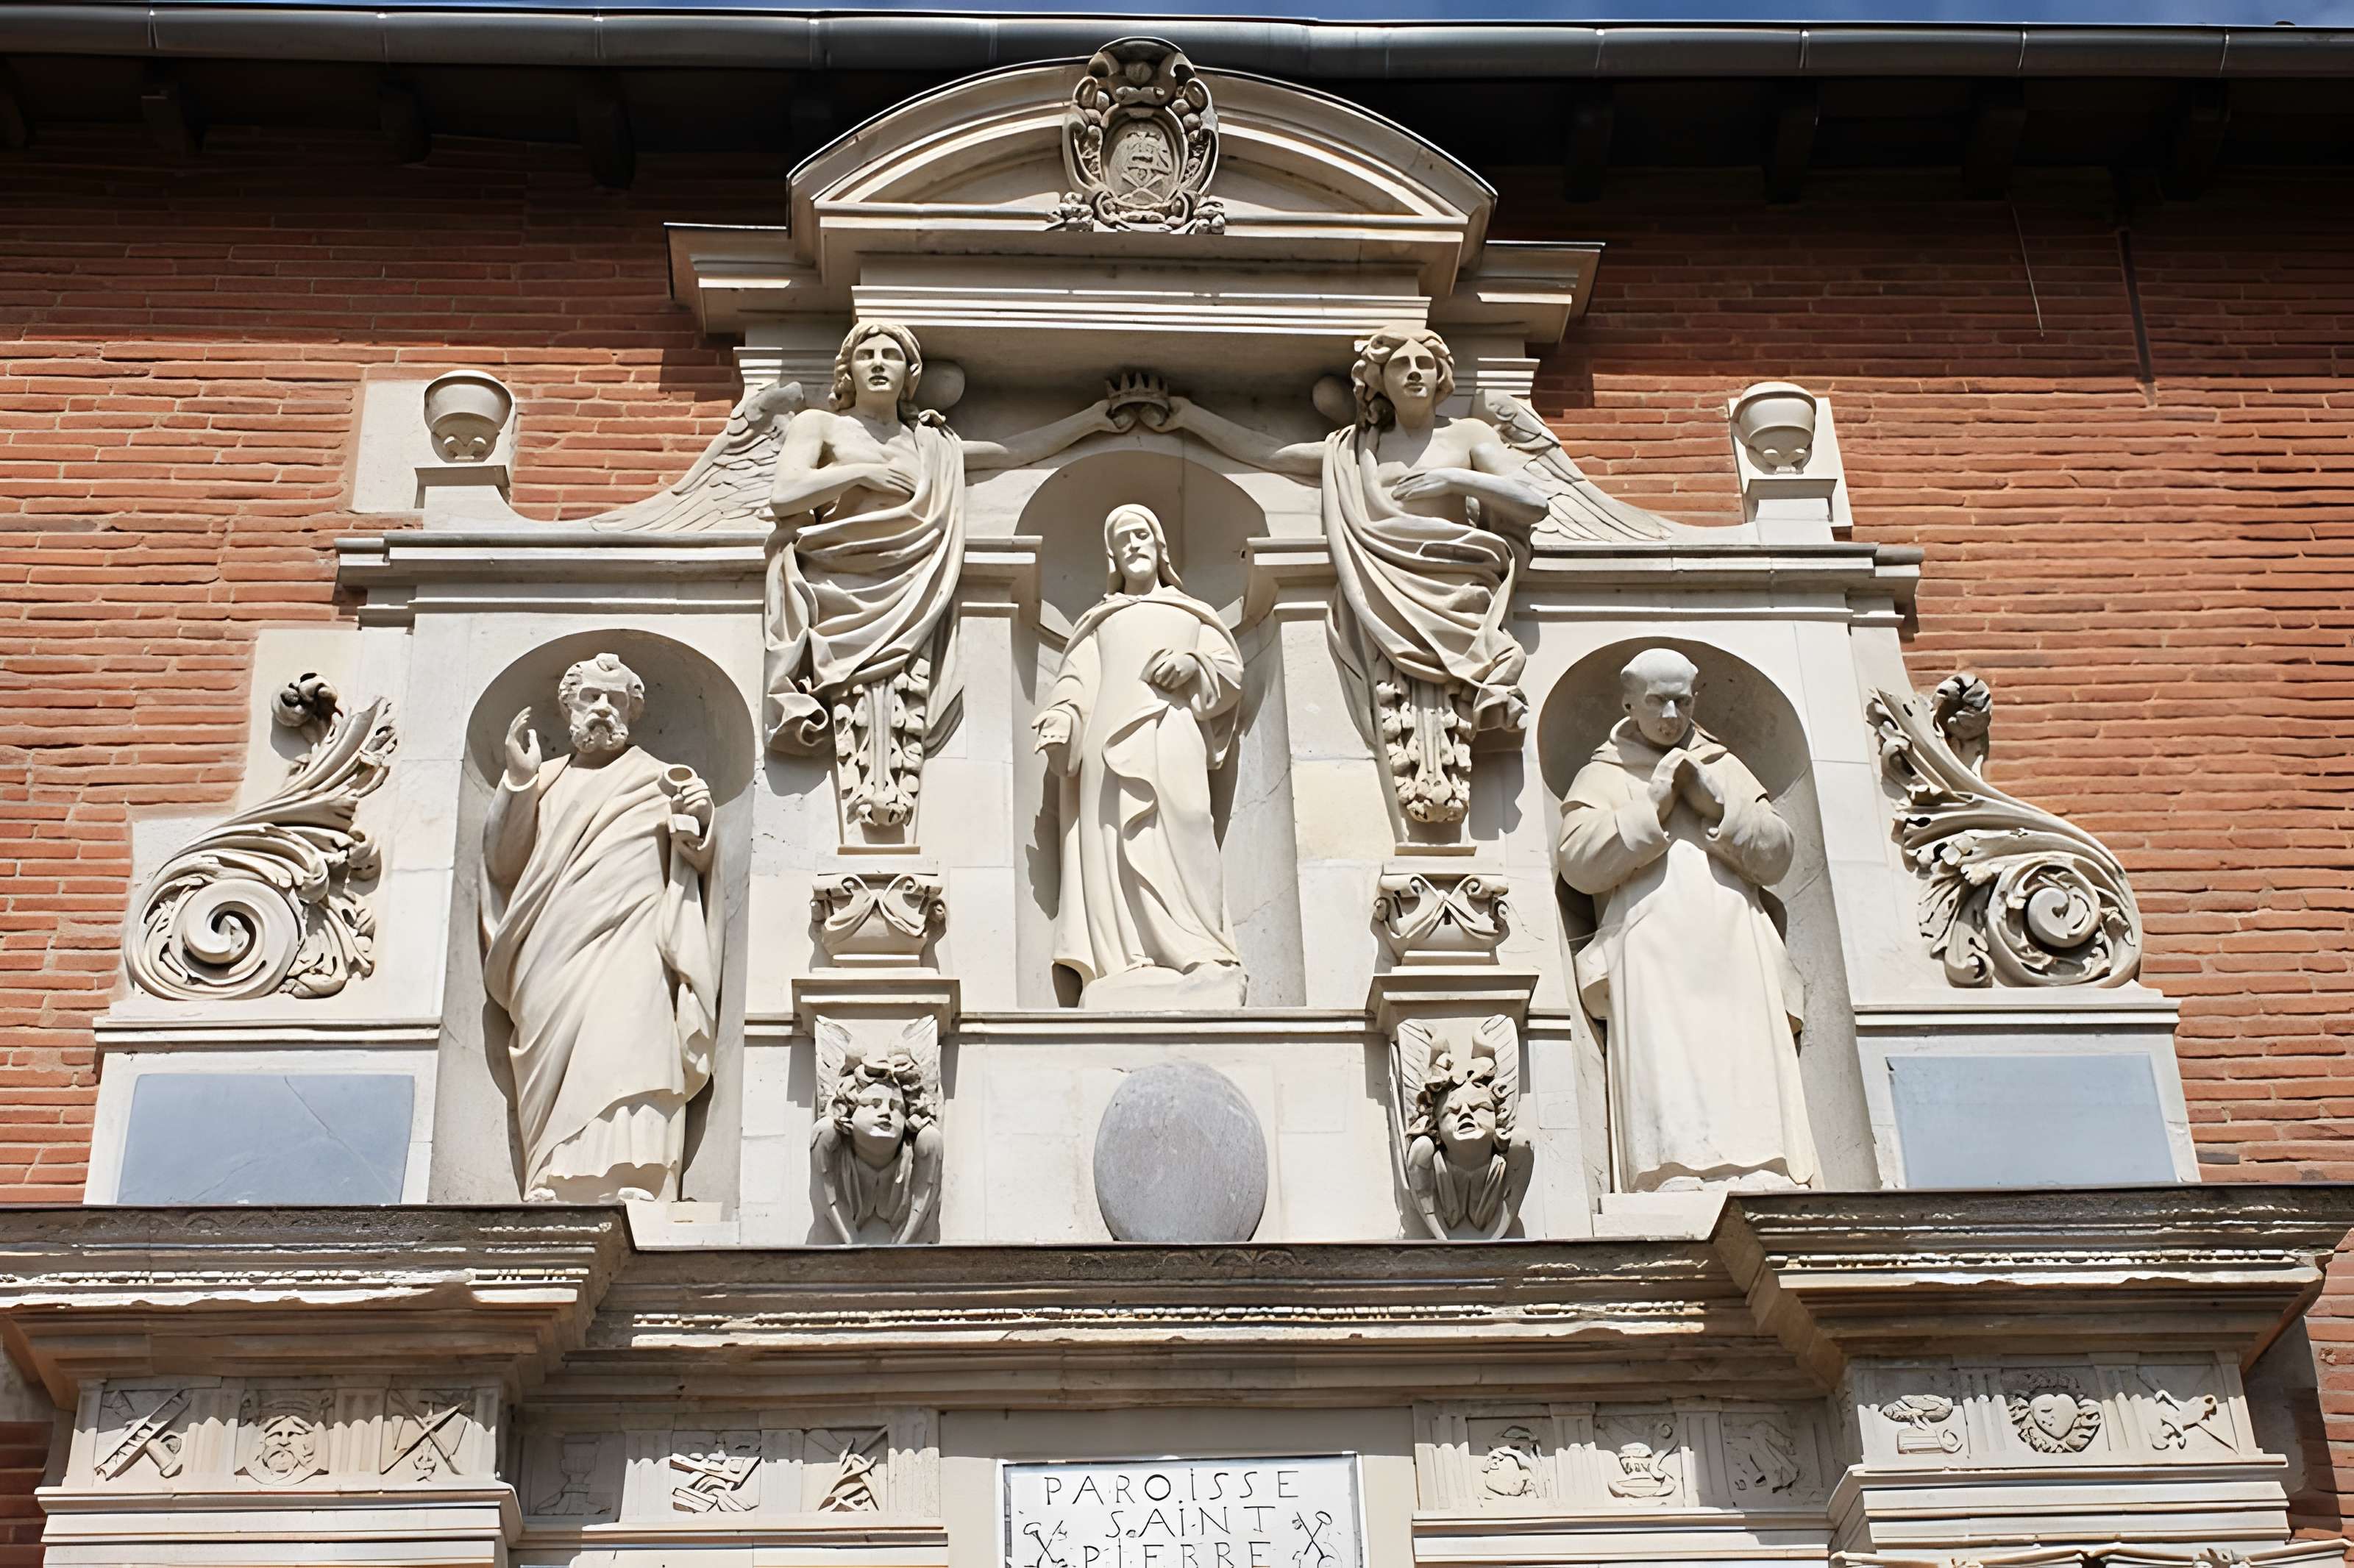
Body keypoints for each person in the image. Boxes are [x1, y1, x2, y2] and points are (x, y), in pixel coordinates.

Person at [1161, 324, 1547, 824]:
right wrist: (1194, 419)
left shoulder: (1470, 436)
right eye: (1400, 365)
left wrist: (1455, 477)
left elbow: (1533, 500)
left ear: (1441, 375)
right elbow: (1267, 454)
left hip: (1458, 591)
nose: (1414, 373)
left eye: (1424, 364)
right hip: (1384, 595)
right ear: (1379, 380)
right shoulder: (1355, 451)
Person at [765, 318, 1142, 830]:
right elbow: (784, 494)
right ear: (848, 369)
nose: (878, 362)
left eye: (891, 355)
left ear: (910, 375)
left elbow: (999, 454)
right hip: (839, 585)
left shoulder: (931, 443)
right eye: (867, 353)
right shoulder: (822, 426)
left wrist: (1087, 425)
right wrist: (859, 472)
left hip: (915, 587)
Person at [1553, 647, 1818, 1193]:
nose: (1671, 715)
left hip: (1732, 932)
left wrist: (1721, 808)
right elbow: (1578, 863)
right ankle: (1670, 1168)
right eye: (1656, 703)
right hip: (1649, 937)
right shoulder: (1602, 774)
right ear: (1629, 703)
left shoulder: (1724, 767)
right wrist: (1649, 809)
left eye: (1681, 701)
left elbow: (1778, 855)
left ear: (1697, 698)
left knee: (1745, 1043)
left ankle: (1764, 1163)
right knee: (1665, 1051)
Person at [481, 652, 720, 1201]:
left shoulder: (660, 780)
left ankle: (636, 1175)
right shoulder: (539, 781)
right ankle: (550, 1175)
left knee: (630, 1044)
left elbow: (698, 865)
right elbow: (502, 862)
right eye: (591, 697)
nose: (603, 709)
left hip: (634, 937)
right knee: (553, 1059)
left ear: (634, 711)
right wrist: (517, 783)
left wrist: (701, 822)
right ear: (569, 705)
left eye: (615, 700)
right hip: (548, 945)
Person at [1033, 504, 1248, 1009]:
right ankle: (1126, 959)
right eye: (1122, 538)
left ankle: (1200, 950)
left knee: (1188, 822)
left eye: (1141, 534)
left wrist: (1193, 665)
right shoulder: (1098, 621)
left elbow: (1233, 676)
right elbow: (1076, 683)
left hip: (1172, 732)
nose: (1133, 544)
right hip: (1105, 744)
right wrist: (1063, 719)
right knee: (1113, 845)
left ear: (1159, 545)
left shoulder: (1193, 616)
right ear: (1111, 555)